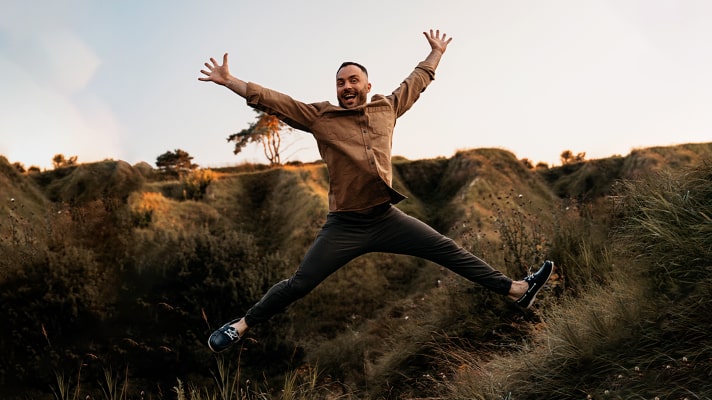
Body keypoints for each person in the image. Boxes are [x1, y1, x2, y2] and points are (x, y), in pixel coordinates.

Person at [199, 29, 553, 353]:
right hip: (344, 226)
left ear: (368, 86)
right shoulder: (320, 118)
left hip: (385, 218)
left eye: (353, 80)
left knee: (447, 250)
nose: (346, 86)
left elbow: (417, 81)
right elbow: (275, 101)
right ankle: (240, 326)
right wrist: (231, 81)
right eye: (340, 83)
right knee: (300, 283)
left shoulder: (387, 108)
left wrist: (436, 53)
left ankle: (517, 291)